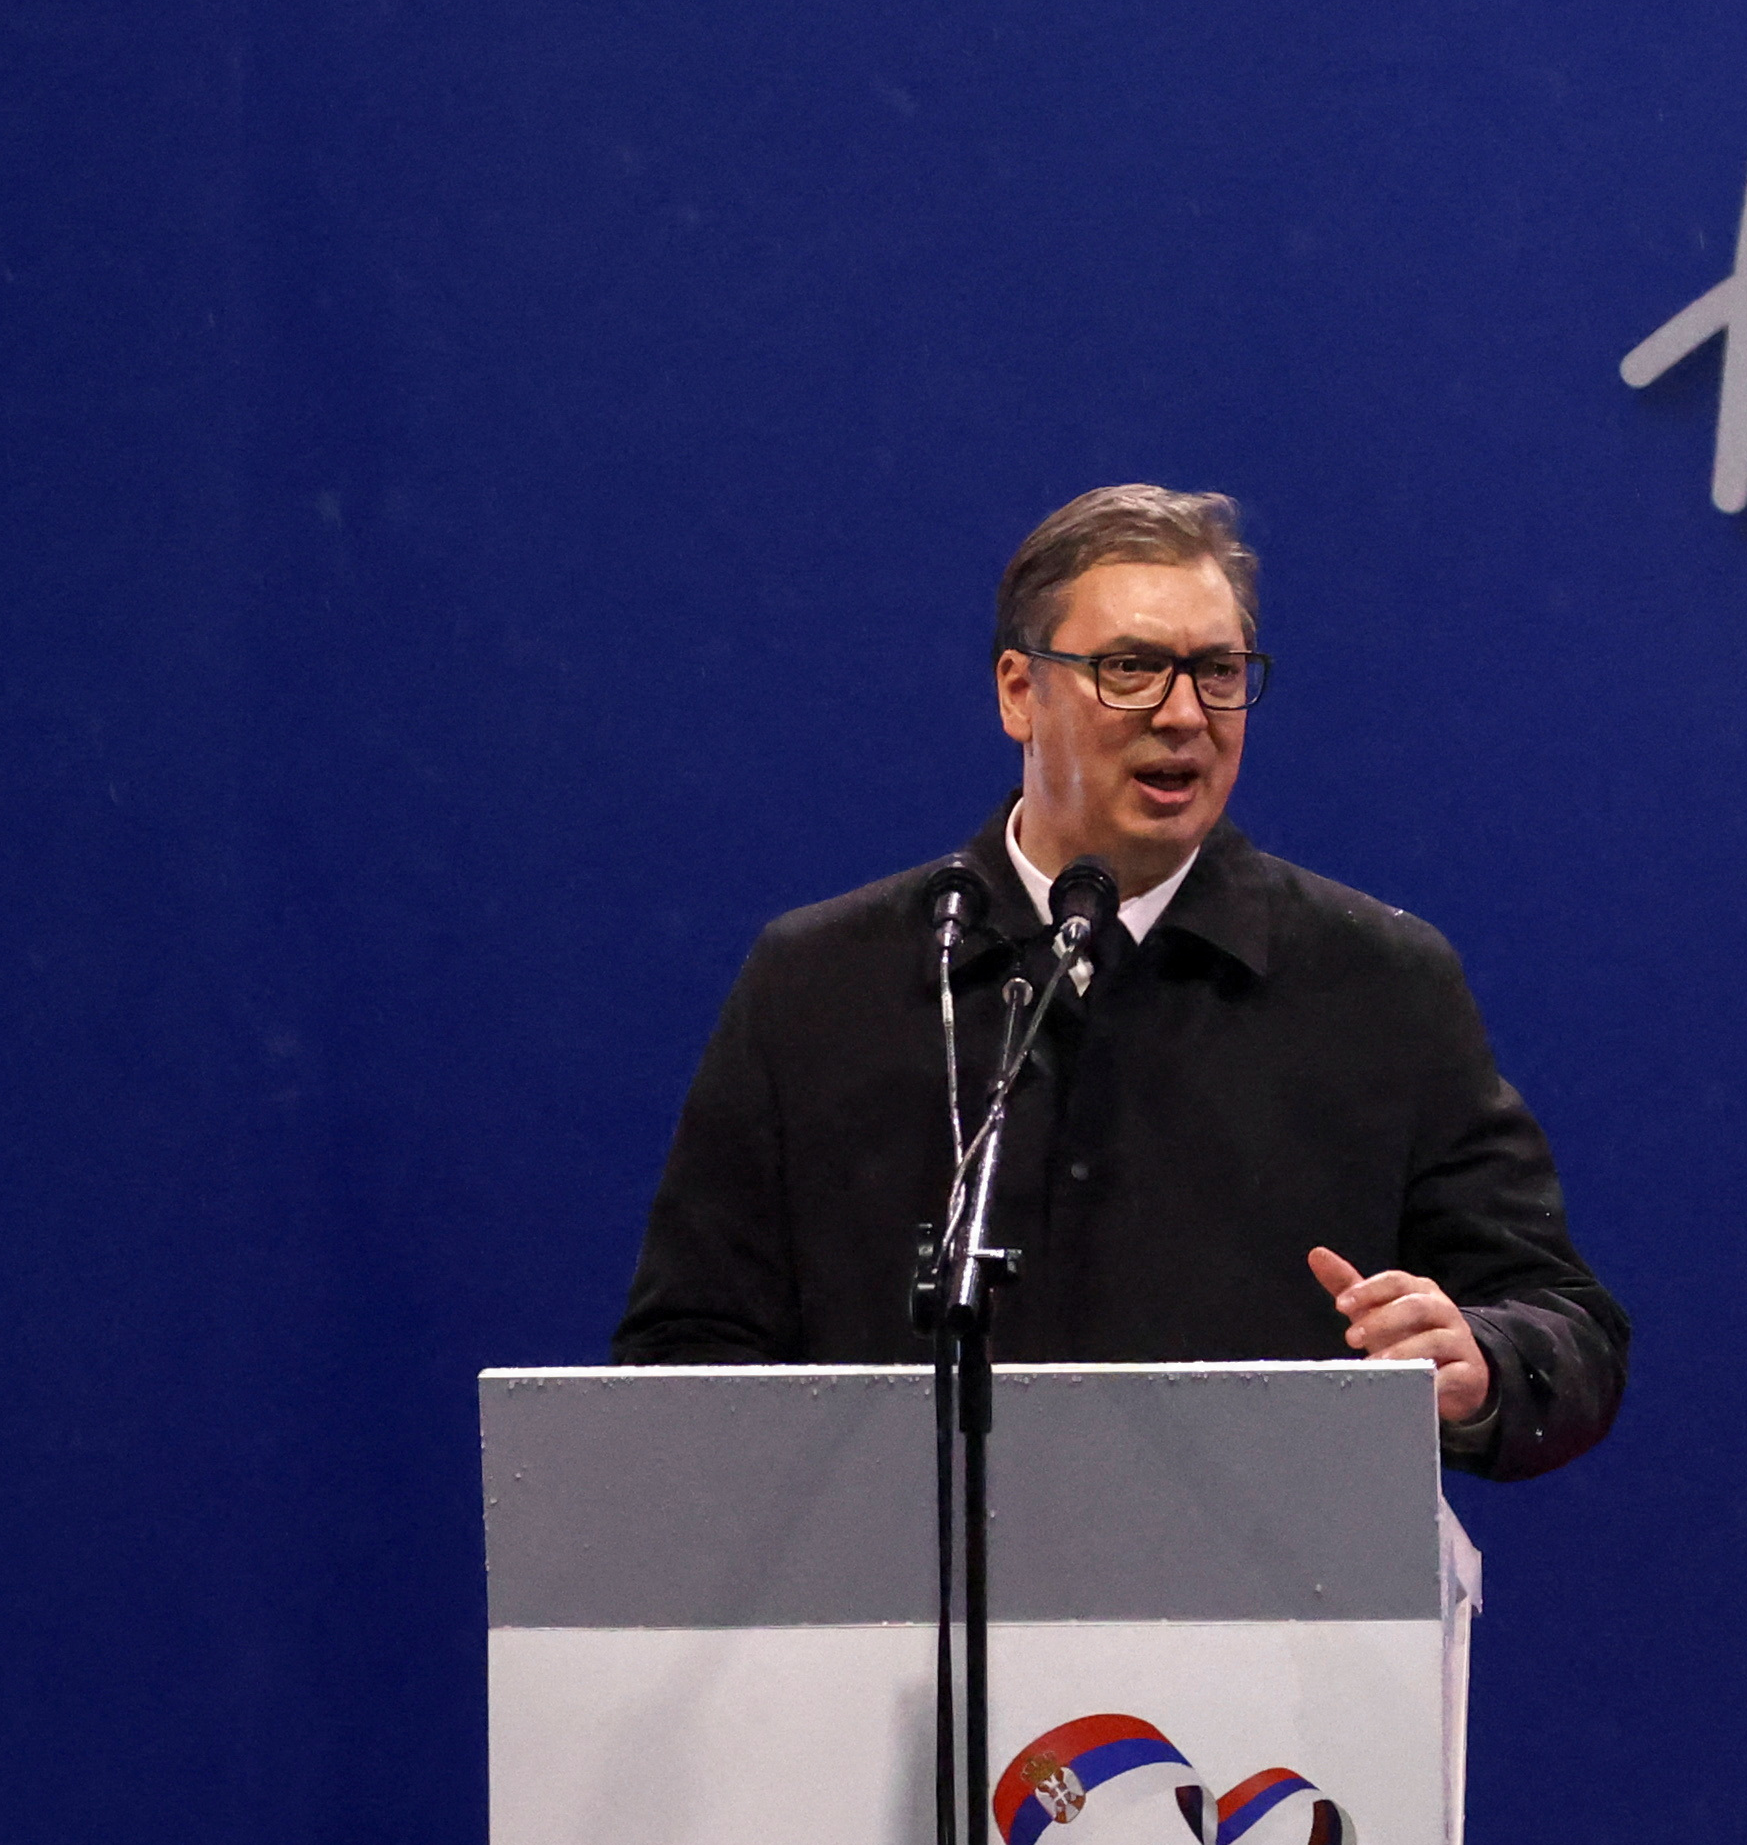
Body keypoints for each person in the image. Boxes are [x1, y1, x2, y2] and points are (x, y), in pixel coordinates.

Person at [611, 485, 1624, 1478]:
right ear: (1019, 689)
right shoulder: (822, 985)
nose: (1183, 714)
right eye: (1131, 668)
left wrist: (1479, 1360)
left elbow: (1567, 1328)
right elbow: (686, 1350)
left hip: (1265, 1620)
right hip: (887, 1622)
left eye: (1218, 671)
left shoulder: (1379, 984)